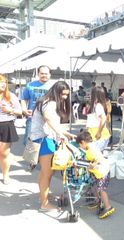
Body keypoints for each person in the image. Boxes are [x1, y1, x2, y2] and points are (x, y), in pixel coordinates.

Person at [30, 81, 76, 211]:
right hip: (44, 140)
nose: (65, 97)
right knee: (47, 172)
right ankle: (44, 204)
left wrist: (65, 133)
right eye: (63, 94)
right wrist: (60, 134)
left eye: (67, 95)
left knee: (46, 172)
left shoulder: (46, 101)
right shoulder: (49, 103)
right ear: (56, 91)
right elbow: (49, 119)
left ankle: (43, 197)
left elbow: (53, 123)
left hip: (44, 139)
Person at [76, 130, 115, 219]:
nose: (80, 147)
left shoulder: (91, 148)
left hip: (102, 172)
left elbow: (97, 158)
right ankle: (97, 200)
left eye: (80, 145)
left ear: (83, 142)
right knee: (94, 186)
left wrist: (92, 165)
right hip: (98, 173)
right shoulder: (90, 147)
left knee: (101, 189)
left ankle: (108, 207)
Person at [21, 65, 54, 146]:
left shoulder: (54, 86)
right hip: (32, 117)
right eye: (42, 73)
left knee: (48, 140)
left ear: (50, 74)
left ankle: (43, 158)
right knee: (30, 140)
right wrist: (24, 110)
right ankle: (31, 158)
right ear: (38, 74)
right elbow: (24, 99)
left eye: (46, 73)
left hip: (49, 118)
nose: (44, 75)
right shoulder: (30, 85)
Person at [0, 74, 22, 184]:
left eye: (4, 82)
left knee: (4, 153)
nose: (3, 84)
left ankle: (5, 175)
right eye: (1, 82)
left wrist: (10, 110)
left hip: (6, 125)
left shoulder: (11, 96)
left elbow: (20, 111)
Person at [87, 86, 111, 152]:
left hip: (98, 134)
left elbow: (103, 118)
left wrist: (99, 132)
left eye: (91, 93)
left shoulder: (98, 106)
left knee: (95, 154)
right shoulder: (96, 105)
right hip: (95, 133)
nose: (89, 95)